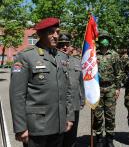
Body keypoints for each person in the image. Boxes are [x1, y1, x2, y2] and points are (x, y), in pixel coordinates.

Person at [9, 17, 74, 147]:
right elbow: (17, 96)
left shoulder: (62, 57)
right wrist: (20, 128)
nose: (56, 36)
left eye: (57, 32)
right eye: (51, 32)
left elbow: (68, 89)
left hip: (59, 124)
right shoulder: (26, 57)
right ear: (40, 34)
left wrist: (69, 117)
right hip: (37, 127)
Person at [92, 30, 121, 147]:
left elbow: (118, 73)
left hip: (110, 88)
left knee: (110, 116)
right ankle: (99, 138)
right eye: (102, 38)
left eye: (106, 38)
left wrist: (118, 88)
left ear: (109, 41)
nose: (104, 40)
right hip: (97, 88)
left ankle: (109, 140)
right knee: (97, 116)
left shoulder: (114, 55)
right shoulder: (94, 54)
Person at [57, 33, 85, 147]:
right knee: (58, 134)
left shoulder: (77, 62)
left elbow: (81, 83)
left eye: (67, 44)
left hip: (74, 104)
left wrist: (82, 99)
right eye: (61, 44)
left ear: (70, 46)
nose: (64, 47)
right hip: (58, 104)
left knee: (72, 134)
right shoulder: (53, 60)